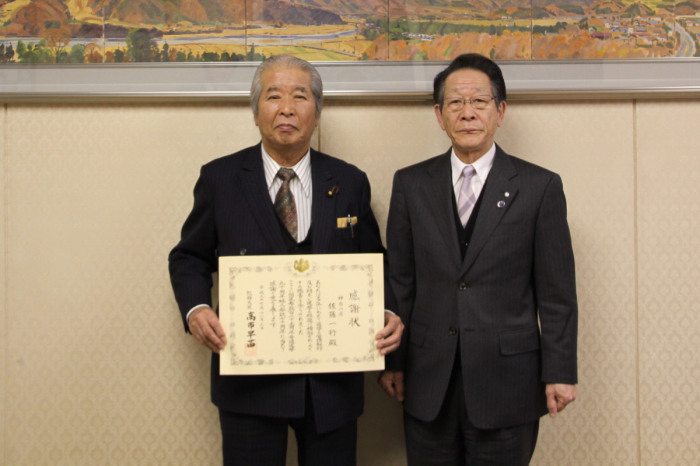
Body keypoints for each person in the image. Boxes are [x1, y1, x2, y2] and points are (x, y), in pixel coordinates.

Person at [169, 54, 403, 466]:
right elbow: (188, 256)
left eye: (300, 96)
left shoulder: (349, 181)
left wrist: (386, 311)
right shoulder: (220, 179)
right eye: (273, 96)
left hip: (331, 383)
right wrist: (196, 307)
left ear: (317, 112)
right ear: (256, 112)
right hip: (250, 383)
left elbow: (374, 261)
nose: (287, 108)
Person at [378, 53, 578, 465]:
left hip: (508, 385)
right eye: (455, 103)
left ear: (500, 111)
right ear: (439, 114)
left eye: (479, 102)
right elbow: (400, 282)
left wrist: (559, 371)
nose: (467, 113)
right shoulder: (411, 184)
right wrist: (393, 361)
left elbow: (556, 293)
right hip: (428, 380)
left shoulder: (539, 187)